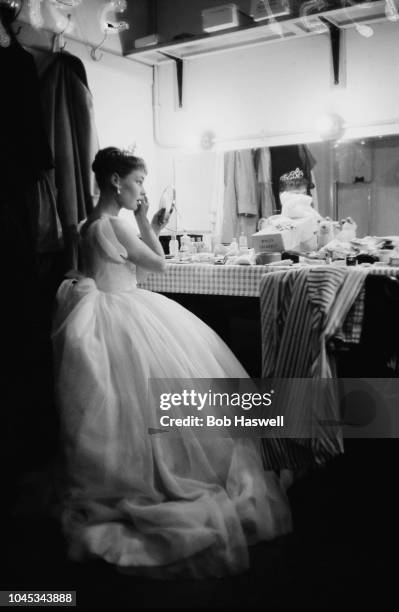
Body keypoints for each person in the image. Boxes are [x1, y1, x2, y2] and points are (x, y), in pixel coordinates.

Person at [52, 147, 292, 579]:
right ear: (115, 182)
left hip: (106, 311)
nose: (141, 190)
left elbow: (126, 267)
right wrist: (146, 223)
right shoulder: (117, 224)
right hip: (123, 312)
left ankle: (123, 472)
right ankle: (164, 476)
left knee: (123, 409)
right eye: (138, 181)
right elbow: (159, 266)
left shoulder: (89, 224)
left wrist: (150, 225)